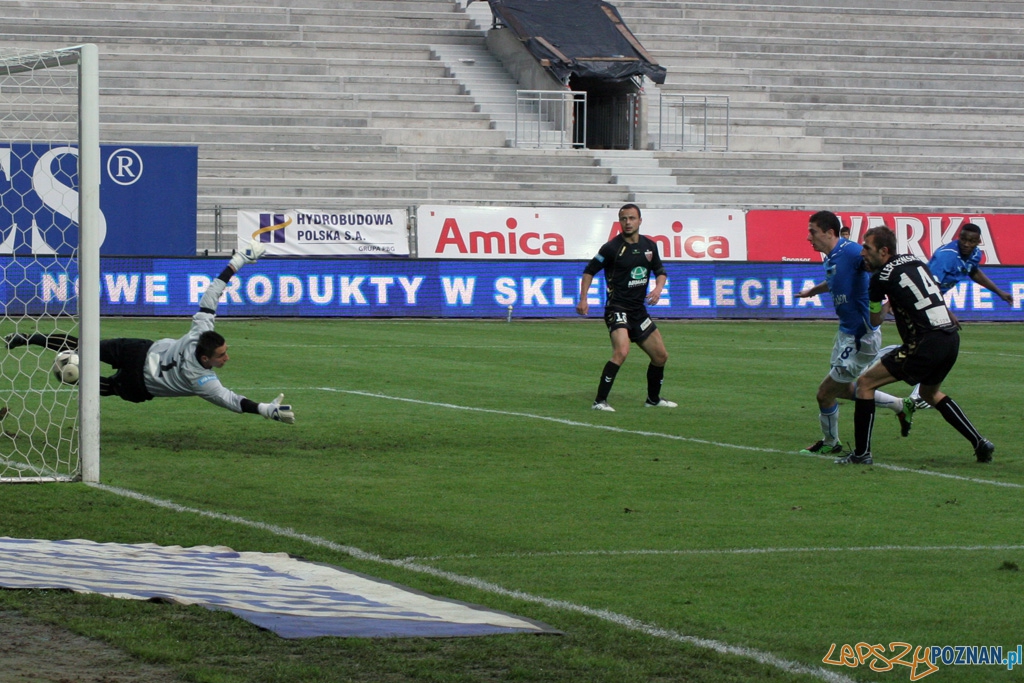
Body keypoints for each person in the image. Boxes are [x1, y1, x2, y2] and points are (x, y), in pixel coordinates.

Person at [4, 241, 295, 424]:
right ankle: (34, 343)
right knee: (99, 378)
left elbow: (212, 294)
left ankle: (34, 345)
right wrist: (264, 409)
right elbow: (233, 401)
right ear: (205, 358)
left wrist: (238, 261)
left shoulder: (201, 330)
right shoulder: (203, 381)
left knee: (87, 352)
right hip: (140, 379)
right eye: (221, 356)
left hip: (140, 351)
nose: (226, 358)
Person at [837, 226, 993, 465]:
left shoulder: (879, 279)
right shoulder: (915, 260)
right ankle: (980, 442)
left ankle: (861, 454)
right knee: (929, 393)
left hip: (924, 342)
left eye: (867, 248)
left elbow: (876, 320)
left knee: (865, 384)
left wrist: (883, 305)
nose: (862, 253)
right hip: (950, 338)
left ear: (884, 251)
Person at [795, 211, 914, 456]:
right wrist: (813, 292)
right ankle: (900, 405)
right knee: (842, 389)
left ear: (829, 233)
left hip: (861, 335)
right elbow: (836, 280)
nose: (808, 237)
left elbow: (881, 268)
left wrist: (889, 303)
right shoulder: (831, 256)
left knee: (825, 392)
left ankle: (831, 442)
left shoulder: (850, 251)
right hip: (845, 333)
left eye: (812, 232)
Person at [576, 203, 676, 412]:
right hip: (617, 308)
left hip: (638, 311)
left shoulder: (650, 246)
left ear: (640, 221)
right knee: (621, 351)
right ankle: (599, 401)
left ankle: (653, 399)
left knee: (661, 356)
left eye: (632, 218)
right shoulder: (611, 248)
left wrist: (658, 288)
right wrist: (583, 298)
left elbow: (660, 270)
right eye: (624, 219)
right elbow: (589, 271)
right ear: (619, 221)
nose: (628, 222)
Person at [905, 222, 1014, 408]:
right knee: (933, 344)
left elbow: (974, 272)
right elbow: (930, 289)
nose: (965, 243)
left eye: (971, 241)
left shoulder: (975, 254)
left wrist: (999, 292)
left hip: (931, 302)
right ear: (958, 237)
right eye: (963, 239)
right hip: (920, 300)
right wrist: (947, 313)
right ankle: (919, 393)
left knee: (924, 345)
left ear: (978, 242)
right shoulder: (946, 257)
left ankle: (918, 390)